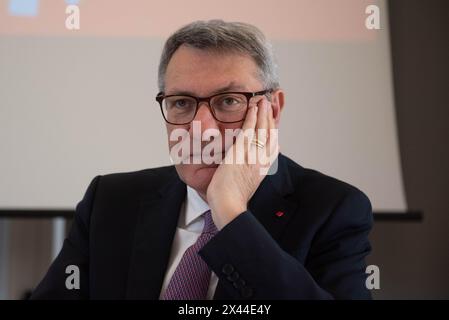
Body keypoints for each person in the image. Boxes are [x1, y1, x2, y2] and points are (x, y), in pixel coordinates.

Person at [31, 20, 373, 300]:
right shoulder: (111, 200)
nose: (201, 127)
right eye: (181, 102)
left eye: (228, 101)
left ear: (274, 108)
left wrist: (230, 211)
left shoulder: (334, 210)